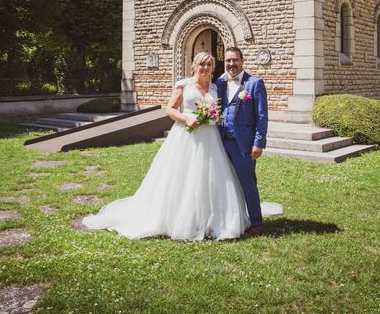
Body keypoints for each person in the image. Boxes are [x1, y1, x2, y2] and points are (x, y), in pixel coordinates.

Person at [82, 52, 250, 241]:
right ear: (194, 65)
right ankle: (176, 218)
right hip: (185, 137)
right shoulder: (183, 85)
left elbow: (218, 110)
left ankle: (210, 219)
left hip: (210, 138)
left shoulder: (215, 87)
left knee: (210, 177)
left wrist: (215, 117)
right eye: (202, 64)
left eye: (209, 65)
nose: (205, 68)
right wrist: (186, 118)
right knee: (180, 177)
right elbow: (169, 109)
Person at [216, 47, 272, 236]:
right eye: (228, 61)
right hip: (221, 142)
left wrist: (258, 143)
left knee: (247, 183)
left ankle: (255, 222)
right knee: (225, 182)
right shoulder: (220, 83)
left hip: (244, 144)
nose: (231, 64)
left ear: (242, 60)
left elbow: (262, 116)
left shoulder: (254, 83)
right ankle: (231, 219)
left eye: (235, 60)